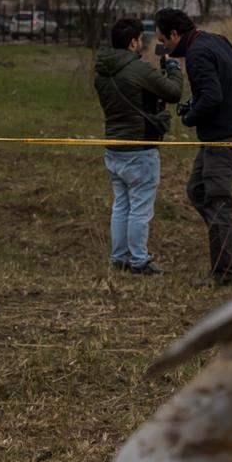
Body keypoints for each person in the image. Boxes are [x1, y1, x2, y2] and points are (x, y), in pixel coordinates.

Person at [154, 8, 232, 286]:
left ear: (175, 34)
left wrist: (190, 117)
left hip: (223, 138)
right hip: (224, 132)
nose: (164, 46)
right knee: (197, 191)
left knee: (217, 200)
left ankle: (223, 274)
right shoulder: (217, 40)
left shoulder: (197, 53)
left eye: (164, 39)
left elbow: (211, 96)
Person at [93, 16, 183, 275]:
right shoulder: (138, 69)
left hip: (114, 146)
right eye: (141, 41)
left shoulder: (102, 72)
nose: (143, 45)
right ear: (133, 42)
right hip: (140, 149)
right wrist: (174, 69)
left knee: (121, 204)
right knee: (141, 208)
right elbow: (173, 92)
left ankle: (118, 257)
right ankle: (139, 260)